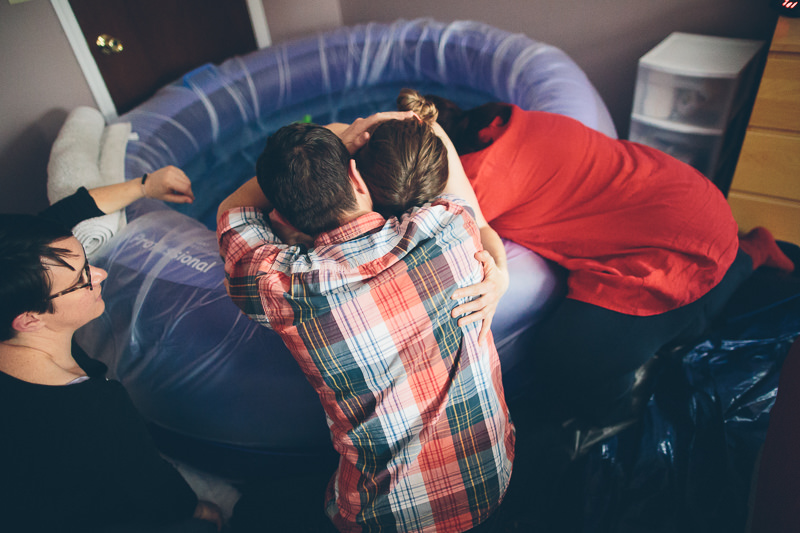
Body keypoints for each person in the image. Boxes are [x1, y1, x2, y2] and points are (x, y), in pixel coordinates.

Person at [363, 88, 796, 433]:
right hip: (691, 197)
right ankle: (747, 252)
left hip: (675, 245)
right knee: (689, 294)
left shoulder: (477, 181)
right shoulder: (502, 121)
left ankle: (615, 414)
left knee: (568, 354)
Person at [216, 112, 515, 533]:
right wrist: (353, 134)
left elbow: (232, 212)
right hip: (492, 479)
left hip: (387, 519)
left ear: (286, 221)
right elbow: (435, 142)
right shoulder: (450, 227)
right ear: (356, 178)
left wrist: (327, 148)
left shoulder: (279, 284)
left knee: (254, 511)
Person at [0, 166, 223, 533]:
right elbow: (155, 490)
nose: (99, 273)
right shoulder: (94, 411)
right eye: (82, 278)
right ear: (29, 320)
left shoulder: (11, 289)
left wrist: (145, 185)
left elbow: (60, 218)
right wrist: (200, 509)